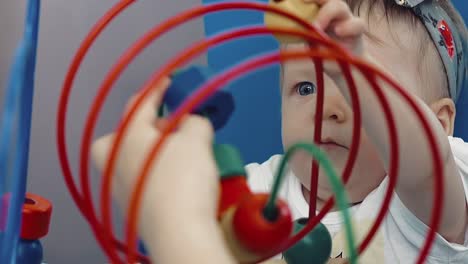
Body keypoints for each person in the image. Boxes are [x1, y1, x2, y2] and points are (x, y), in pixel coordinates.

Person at [92, 0, 468, 263]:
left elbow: (426, 164)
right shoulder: (255, 188)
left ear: (439, 125)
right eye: (306, 88)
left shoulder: (422, 208)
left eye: (357, 86)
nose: (326, 109)